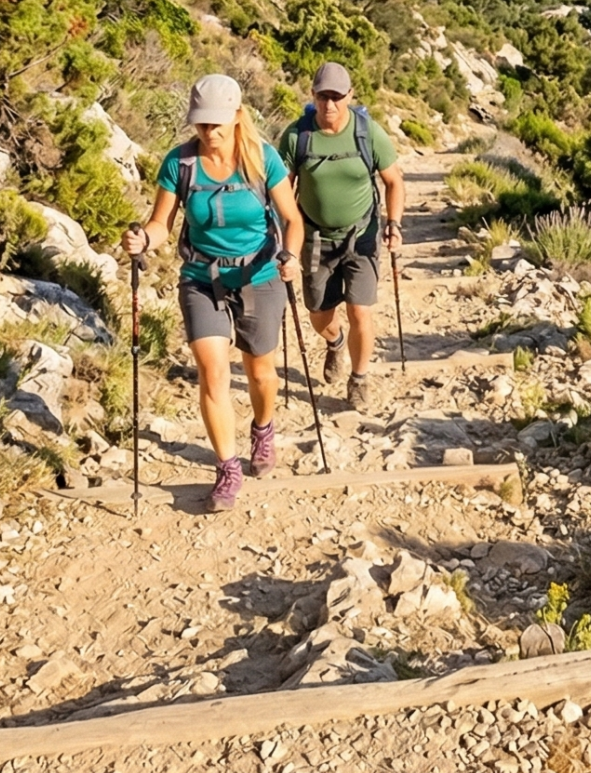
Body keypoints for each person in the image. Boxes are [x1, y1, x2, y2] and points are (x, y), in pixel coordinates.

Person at [123, 74, 305, 513]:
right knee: (213, 372)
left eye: (217, 123)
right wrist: (144, 240)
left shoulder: (263, 160)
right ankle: (227, 468)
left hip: (259, 275)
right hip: (201, 279)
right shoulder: (179, 164)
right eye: (202, 124)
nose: (209, 132)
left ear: (238, 117)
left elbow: (292, 220)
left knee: (261, 372)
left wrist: (291, 255)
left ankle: (263, 428)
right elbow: (161, 224)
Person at [280, 61, 404, 412]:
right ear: (313, 95)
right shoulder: (296, 136)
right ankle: (334, 343)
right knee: (319, 313)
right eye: (323, 96)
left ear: (350, 95)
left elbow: (394, 181)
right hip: (315, 237)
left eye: (336, 96)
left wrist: (393, 225)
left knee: (360, 311)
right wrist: (283, 236)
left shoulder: (368, 133)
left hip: (361, 235)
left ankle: (359, 378)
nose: (329, 104)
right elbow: (281, 190)